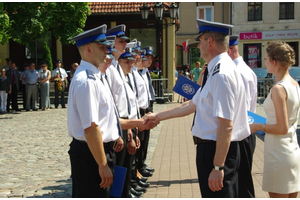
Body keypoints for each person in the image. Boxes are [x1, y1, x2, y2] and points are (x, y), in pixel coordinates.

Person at [144, 19, 249, 198]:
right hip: (212, 149)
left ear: (209, 42)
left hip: (217, 150)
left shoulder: (221, 74)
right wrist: (157, 116)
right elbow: (193, 104)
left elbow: (226, 125)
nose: (198, 45)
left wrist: (217, 167)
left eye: (200, 41)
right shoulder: (215, 70)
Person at [68, 24, 158, 198]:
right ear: (88, 49)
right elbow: (91, 127)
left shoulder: (96, 77)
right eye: (102, 47)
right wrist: (102, 165)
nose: (107, 51)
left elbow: (109, 120)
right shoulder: (87, 81)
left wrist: (139, 122)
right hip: (92, 153)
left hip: (99, 149)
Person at [249, 41, 300, 198]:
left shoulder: (278, 89)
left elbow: (281, 127)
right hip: (291, 149)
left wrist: (257, 126)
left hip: (278, 152)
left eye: (265, 59)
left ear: (274, 62)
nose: (265, 62)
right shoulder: (294, 84)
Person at [228, 35, 258, 198]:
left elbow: (240, 107)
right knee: (242, 177)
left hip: (240, 131)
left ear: (229, 50)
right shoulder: (246, 70)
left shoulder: (237, 72)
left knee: (242, 180)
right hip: (246, 129)